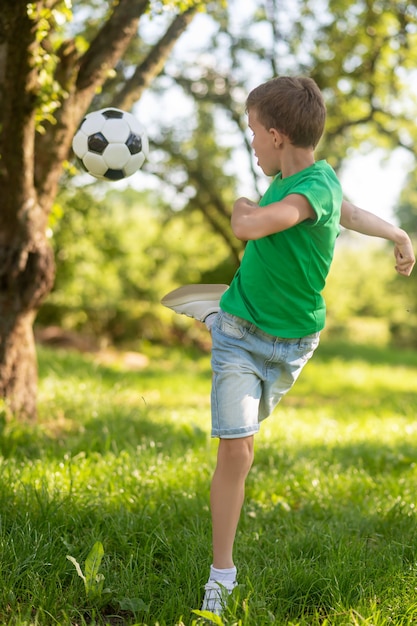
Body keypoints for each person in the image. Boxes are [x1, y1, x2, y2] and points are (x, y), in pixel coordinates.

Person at [161, 76, 415, 616]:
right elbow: (350, 213)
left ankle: (224, 308)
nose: (251, 143)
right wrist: (396, 233)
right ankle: (221, 575)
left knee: (244, 444)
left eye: (253, 132)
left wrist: (240, 203)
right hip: (240, 337)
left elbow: (254, 225)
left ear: (276, 135)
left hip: (292, 346)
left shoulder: (309, 189)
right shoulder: (302, 185)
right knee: (238, 450)